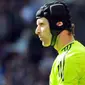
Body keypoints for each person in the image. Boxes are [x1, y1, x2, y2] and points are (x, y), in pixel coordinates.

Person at [35, 1, 85, 85]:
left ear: (59, 24)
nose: (37, 31)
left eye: (42, 24)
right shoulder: (73, 52)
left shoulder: (69, 57)